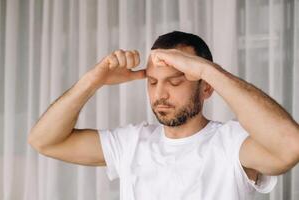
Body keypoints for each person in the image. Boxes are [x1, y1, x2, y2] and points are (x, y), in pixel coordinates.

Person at [28, 31, 299, 200]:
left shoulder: (232, 143)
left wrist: (208, 70)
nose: (160, 94)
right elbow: (44, 141)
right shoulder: (132, 142)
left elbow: (290, 146)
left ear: (206, 88)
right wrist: (92, 81)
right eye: (153, 82)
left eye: (175, 82)